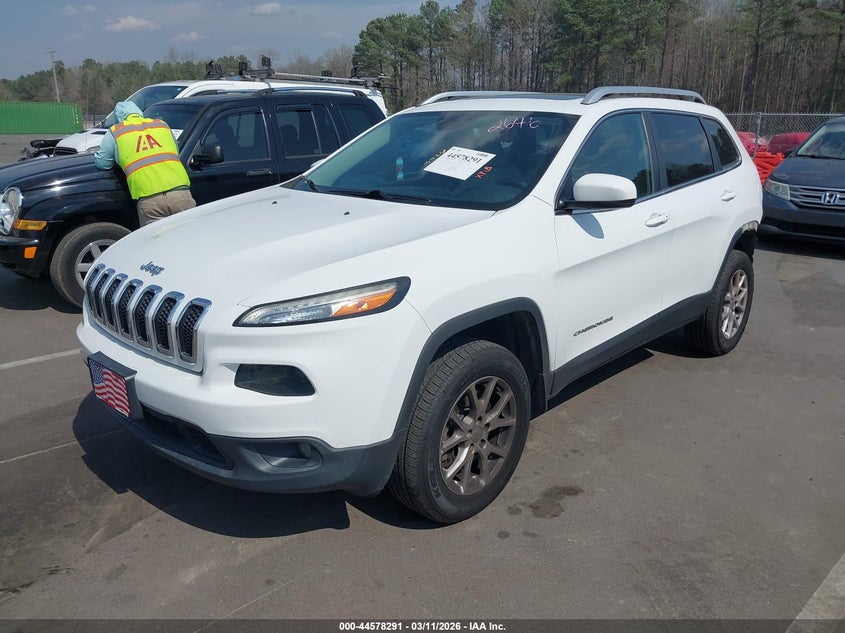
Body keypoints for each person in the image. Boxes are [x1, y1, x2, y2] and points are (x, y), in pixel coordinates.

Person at [94, 100, 195, 227]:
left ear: (118, 118)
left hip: (149, 199)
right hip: (180, 193)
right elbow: (175, 151)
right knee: (189, 235)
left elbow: (103, 163)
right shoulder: (161, 125)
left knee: (156, 238)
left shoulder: (116, 131)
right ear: (139, 112)